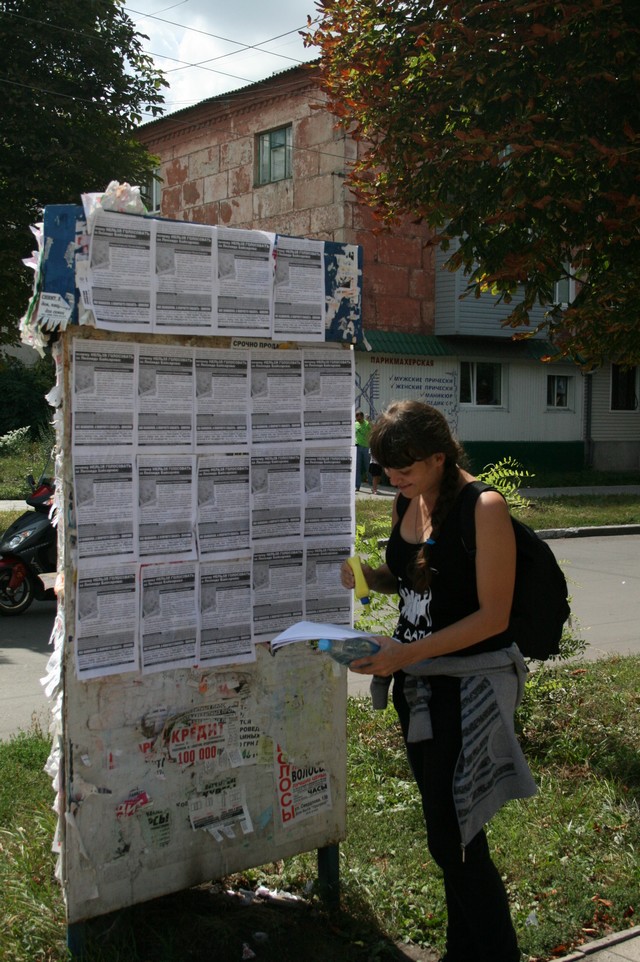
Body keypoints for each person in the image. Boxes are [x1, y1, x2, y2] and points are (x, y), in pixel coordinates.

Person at [340, 400, 536, 962]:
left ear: (438, 457)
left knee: (454, 835)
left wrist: (405, 654)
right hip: (420, 685)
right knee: (451, 835)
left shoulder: (484, 507)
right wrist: (369, 577)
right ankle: (464, 951)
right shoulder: (409, 498)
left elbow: (493, 616)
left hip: (469, 686)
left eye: (404, 469)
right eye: (385, 470)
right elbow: (412, 578)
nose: (393, 480)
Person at [354, 409, 371, 491]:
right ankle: (357, 485)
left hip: (366, 447)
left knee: (368, 465)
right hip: (357, 447)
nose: (358, 420)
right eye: (356, 418)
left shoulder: (367, 423)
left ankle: (371, 484)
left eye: (359, 419)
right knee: (357, 466)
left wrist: (369, 421)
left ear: (362, 417)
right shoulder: (355, 424)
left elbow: (374, 429)